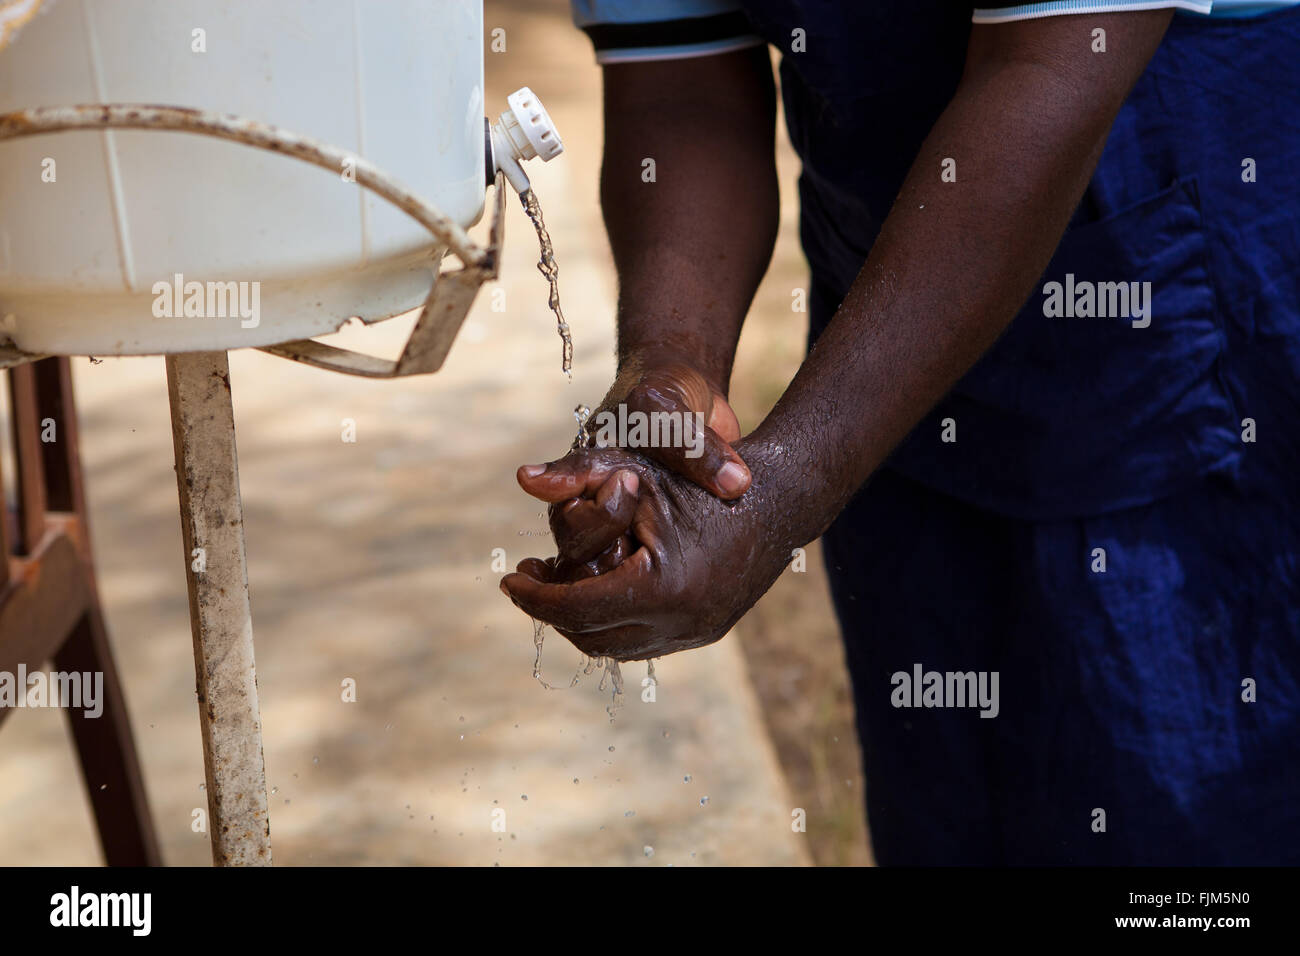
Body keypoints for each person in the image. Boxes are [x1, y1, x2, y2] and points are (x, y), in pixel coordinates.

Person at [501, 1, 1300, 865]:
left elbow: (1052, 63)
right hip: (886, 353)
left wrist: (779, 493)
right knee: (949, 790)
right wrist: (669, 367)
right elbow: (682, 85)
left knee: (1181, 812)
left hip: (1164, 271)